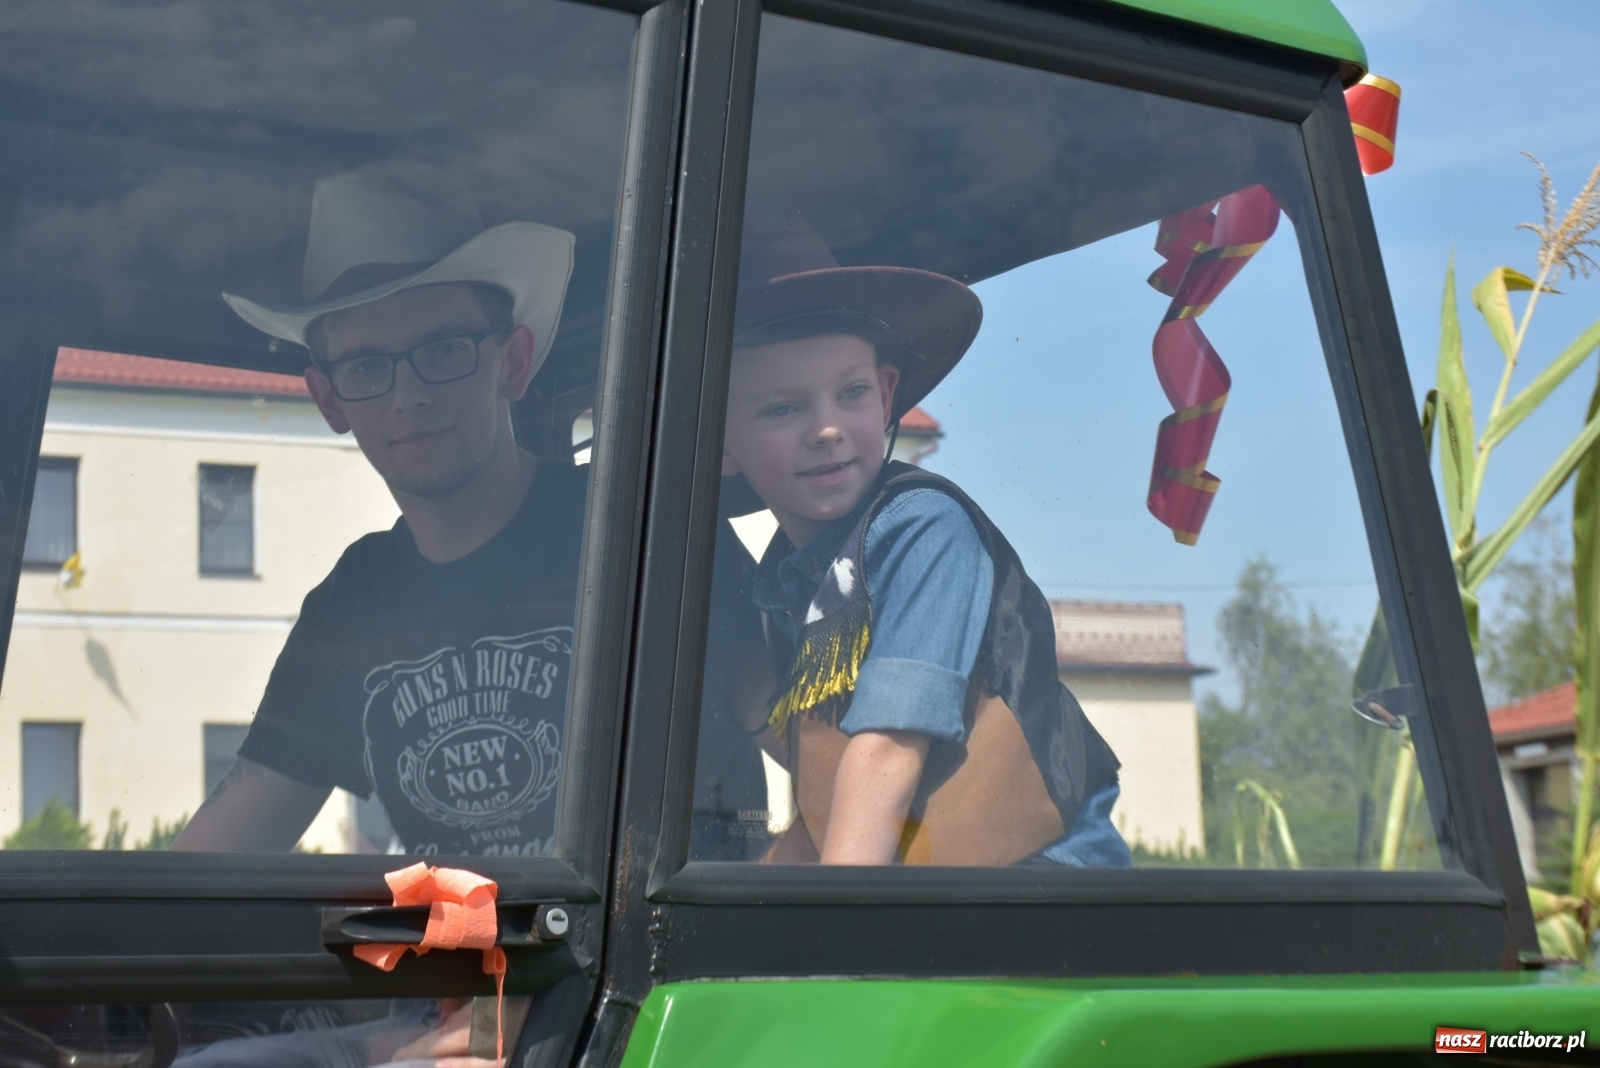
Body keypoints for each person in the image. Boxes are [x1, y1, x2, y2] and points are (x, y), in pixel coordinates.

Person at [173, 158, 582, 857]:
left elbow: (824, 773)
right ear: (330, 399)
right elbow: (208, 866)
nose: (407, 395)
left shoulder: (629, 534)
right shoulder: (354, 605)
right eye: (366, 365)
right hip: (451, 968)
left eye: (442, 349)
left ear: (511, 361)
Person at [719, 216, 1129, 866]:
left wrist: (819, 932)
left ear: (886, 397)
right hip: (911, 879)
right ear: (722, 442)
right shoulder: (784, 580)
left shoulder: (920, 529)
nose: (826, 429)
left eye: (849, 393)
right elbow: (828, 790)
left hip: (1040, 881)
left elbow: (884, 750)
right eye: (781, 408)